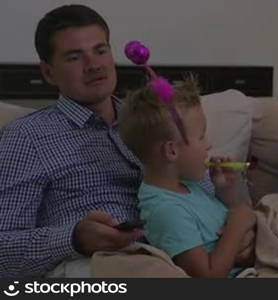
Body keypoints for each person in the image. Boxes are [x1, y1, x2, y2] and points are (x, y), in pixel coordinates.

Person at [0, 4, 254, 277]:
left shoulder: (151, 119)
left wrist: (243, 235)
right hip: (105, 262)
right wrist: (73, 239)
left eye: (101, 50)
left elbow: (210, 198)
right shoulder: (27, 137)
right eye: (75, 57)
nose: (94, 65)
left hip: (189, 252)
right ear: (49, 72)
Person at [118, 78, 256, 278]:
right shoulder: (166, 210)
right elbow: (207, 277)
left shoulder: (190, 185)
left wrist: (225, 192)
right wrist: (237, 226)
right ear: (172, 151)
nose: (208, 145)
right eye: (201, 137)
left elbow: (232, 218)